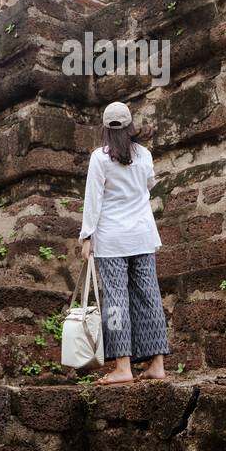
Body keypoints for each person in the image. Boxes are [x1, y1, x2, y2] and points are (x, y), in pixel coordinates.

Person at [78, 102, 170, 384]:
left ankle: (123, 366)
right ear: (131, 126)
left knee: (117, 302)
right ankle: (157, 364)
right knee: (149, 297)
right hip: (142, 236)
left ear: (105, 128)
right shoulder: (144, 155)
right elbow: (149, 184)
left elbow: (93, 199)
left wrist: (86, 236)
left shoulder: (100, 158)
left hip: (112, 239)